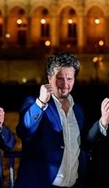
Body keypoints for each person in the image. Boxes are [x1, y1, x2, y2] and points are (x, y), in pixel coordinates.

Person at [16, 52, 87, 188]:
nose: (65, 84)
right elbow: (24, 131)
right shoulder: (33, 103)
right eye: (59, 78)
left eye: (70, 79)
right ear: (49, 78)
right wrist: (41, 103)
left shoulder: (78, 110)